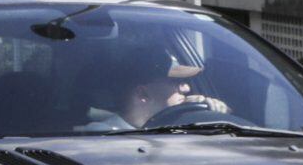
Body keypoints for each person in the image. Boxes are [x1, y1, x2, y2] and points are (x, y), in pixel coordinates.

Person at [83, 47, 229, 131]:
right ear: (143, 93)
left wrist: (215, 114)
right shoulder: (100, 135)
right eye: (175, 81)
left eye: (185, 81)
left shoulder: (180, 129)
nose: (186, 88)